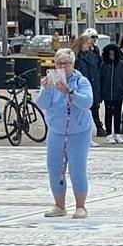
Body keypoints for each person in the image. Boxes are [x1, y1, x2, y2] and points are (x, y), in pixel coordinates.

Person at [35, 48, 95, 219]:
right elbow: (43, 103)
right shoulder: (51, 81)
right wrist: (46, 89)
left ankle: (80, 206)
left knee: (77, 169)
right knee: (55, 169)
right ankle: (59, 205)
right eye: (60, 63)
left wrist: (69, 91)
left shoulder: (81, 81)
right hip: (56, 131)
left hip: (79, 131)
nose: (63, 66)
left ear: (72, 64)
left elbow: (87, 102)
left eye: (67, 63)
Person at [99, 44, 123, 145]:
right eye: (110, 54)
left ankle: (117, 133)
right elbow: (100, 79)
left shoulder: (122, 65)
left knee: (118, 114)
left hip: (118, 94)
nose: (112, 56)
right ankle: (109, 134)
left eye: (113, 54)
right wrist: (101, 93)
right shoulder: (104, 65)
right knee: (108, 114)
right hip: (107, 94)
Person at [73, 31, 105, 138]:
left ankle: (98, 127)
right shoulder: (76, 58)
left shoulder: (92, 56)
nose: (89, 45)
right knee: (82, 111)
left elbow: (98, 69)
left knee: (94, 108)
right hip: (82, 87)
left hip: (93, 85)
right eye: (87, 43)